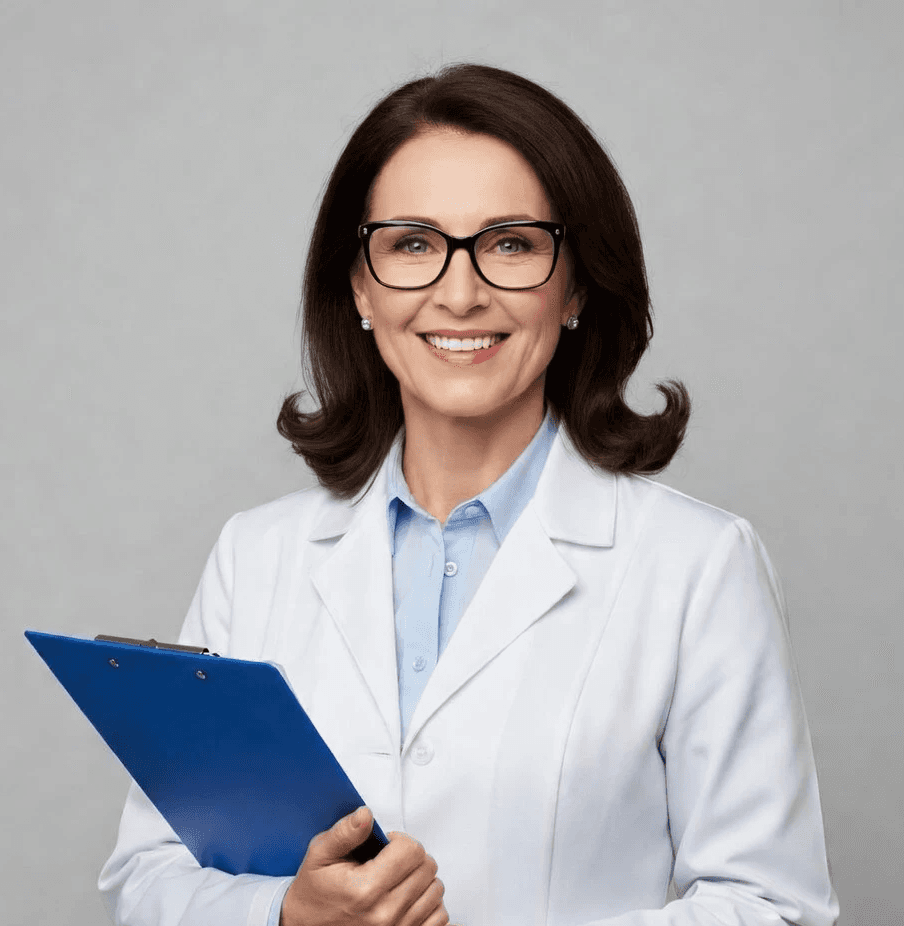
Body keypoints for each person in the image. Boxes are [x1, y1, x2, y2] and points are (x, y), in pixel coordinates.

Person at [99, 64, 839, 926]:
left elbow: (773, 905)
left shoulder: (698, 567)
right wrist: (287, 915)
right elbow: (145, 878)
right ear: (360, 288)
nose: (459, 291)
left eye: (511, 243)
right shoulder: (255, 557)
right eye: (412, 244)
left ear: (575, 288)